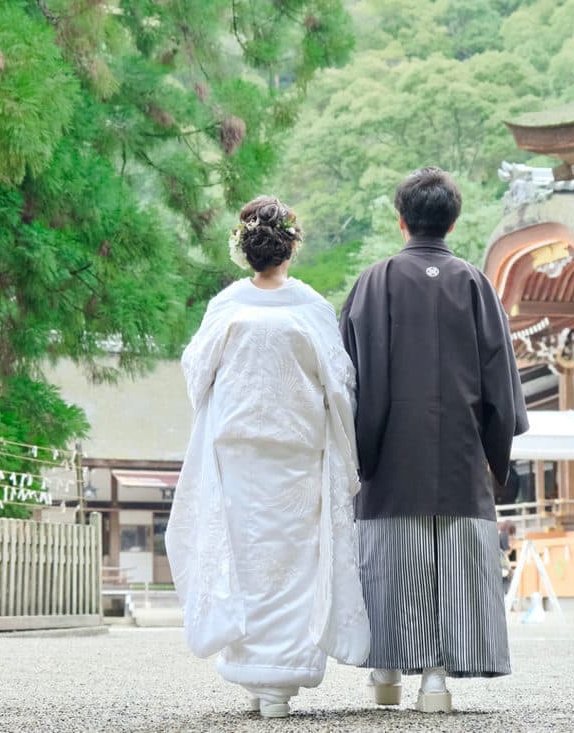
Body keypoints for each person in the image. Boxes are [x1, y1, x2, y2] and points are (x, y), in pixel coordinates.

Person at [166, 196, 370, 719]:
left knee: (244, 558)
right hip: (297, 452)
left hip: (239, 452)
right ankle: (277, 678)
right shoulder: (311, 307)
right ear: (291, 246)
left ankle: (258, 677)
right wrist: (346, 445)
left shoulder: (227, 304)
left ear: (244, 248)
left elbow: (196, 372)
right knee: (294, 561)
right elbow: (340, 383)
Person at [340, 167, 529, 713]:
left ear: (401, 220)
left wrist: (355, 452)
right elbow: (500, 385)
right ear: (453, 221)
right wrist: (494, 458)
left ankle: (385, 671)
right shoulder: (475, 284)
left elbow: (345, 380)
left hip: (387, 461)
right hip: (459, 462)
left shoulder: (373, 282)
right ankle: (436, 681)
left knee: (389, 567)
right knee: (450, 570)